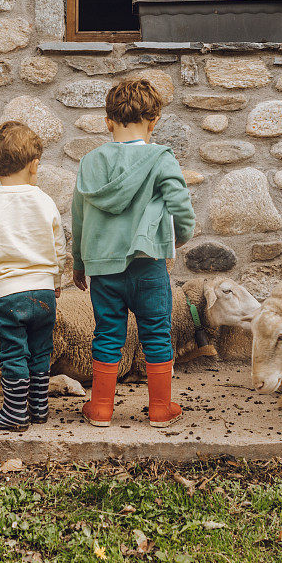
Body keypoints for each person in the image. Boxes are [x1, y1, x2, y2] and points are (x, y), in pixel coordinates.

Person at [72, 79, 195, 428]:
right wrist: (179, 238)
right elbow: (181, 207)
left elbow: (79, 216)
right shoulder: (161, 158)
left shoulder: (90, 162)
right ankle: (160, 409)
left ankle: (100, 409)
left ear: (108, 121)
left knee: (107, 333)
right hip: (149, 265)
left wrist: (79, 262)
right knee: (156, 332)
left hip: (104, 269)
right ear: (153, 120)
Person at [0, 121, 67, 432]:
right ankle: (38, 408)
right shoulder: (45, 201)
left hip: (6, 296)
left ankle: (15, 413)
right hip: (44, 293)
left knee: (12, 352)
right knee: (40, 349)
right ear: (35, 166)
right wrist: (54, 282)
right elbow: (58, 246)